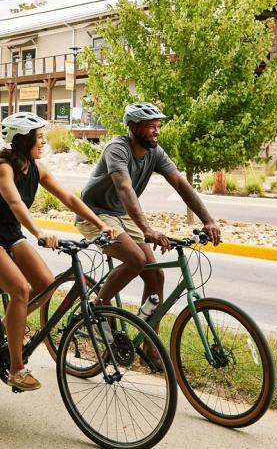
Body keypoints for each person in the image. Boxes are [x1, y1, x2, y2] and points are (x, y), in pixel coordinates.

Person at [0, 111, 120, 392]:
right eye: (39, 136)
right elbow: (15, 202)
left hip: (9, 234)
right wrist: (39, 233)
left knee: (45, 284)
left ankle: (11, 322)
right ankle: (16, 370)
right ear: (22, 139)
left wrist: (100, 223)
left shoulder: (37, 168)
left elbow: (67, 198)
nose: (44, 141)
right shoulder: (1, 168)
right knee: (19, 289)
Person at [74, 101, 221, 357]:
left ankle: (149, 343)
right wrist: (148, 229)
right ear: (132, 127)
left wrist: (207, 219)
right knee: (136, 259)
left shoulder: (155, 152)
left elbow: (180, 182)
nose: (156, 131)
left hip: (121, 214)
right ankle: (96, 311)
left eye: (158, 126)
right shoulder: (117, 148)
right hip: (94, 214)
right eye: (151, 126)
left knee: (155, 276)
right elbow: (124, 189)